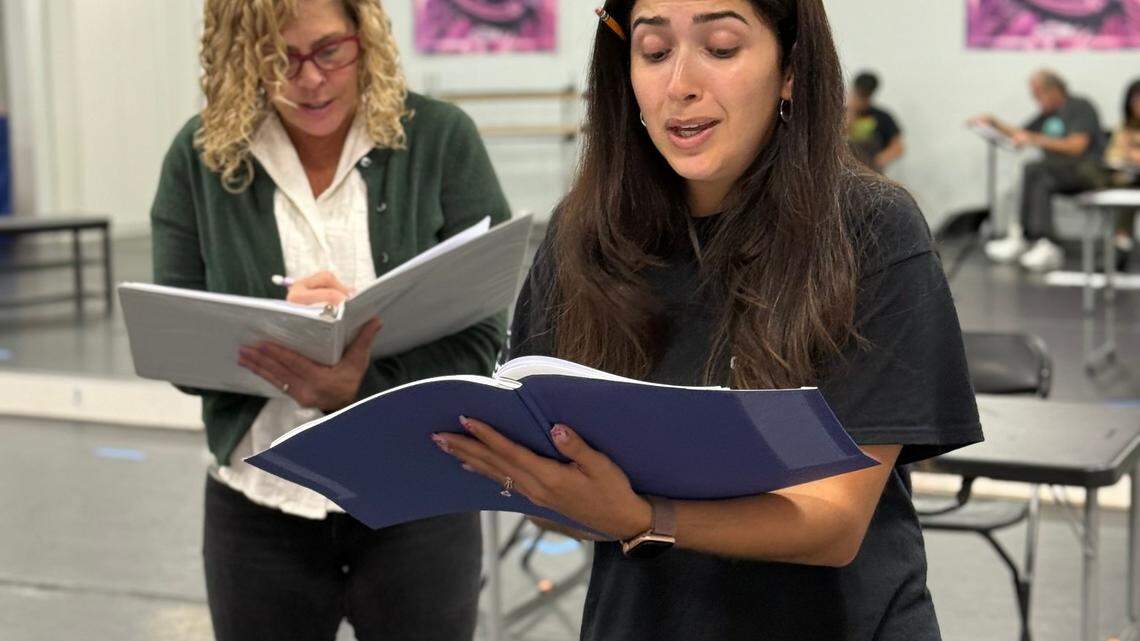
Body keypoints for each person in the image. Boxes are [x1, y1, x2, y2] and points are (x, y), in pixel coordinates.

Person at [432, 1, 982, 639]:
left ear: (790, 70)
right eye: (654, 52)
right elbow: (557, 496)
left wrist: (641, 518)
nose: (680, 84)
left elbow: (834, 522)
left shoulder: (868, 228)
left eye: (721, 48)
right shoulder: (584, 238)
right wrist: (536, 480)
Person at [149, 1, 510, 639]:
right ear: (242, 56)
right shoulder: (201, 156)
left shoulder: (440, 138)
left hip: (418, 495)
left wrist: (361, 385)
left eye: (329, 51)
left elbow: (484, 337)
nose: (311, 79)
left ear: (364, 36)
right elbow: (174, 341)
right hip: (259, 501)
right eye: (279, 59)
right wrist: (274, 332)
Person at [975, 69, 1107, 271]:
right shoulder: (1048, 115)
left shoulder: (1080, 106)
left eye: (1038, 94)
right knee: (1035, 174)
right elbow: (1021, 133)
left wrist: (1034, 139)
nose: (1036, 100)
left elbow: (1076, 146)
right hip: (1055, 173)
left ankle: (1045, 242)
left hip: (1087, 171)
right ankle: (1027, 238)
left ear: (1054, 90)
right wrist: (994, 123)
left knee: (1036, 171)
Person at [1104, 77, 1140, 271]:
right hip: (1128, 179)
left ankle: (1121, 244)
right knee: (1125, 186)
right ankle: (1120, 243)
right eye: (1135, 101)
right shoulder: (1123, 127)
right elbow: (1113, 155)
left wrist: (1132, 153)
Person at [846, 70, 905, 173]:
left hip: (871, 172)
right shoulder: (842, 114)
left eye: (865, 95)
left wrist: (878, 160)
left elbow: (898, 147)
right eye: (859, 94)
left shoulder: (883, 117)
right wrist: (852, 112)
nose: (862, 98)